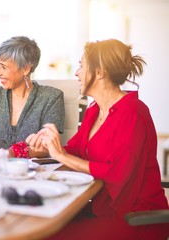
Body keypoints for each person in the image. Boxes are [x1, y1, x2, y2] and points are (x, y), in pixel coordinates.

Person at [26, 39, 169, 239]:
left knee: (47, 235)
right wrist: (37, 147)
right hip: (100, 206)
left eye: (81, 65)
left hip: (134, 217)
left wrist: (60, 155)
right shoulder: (95, 110)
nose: (76, 72)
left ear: (100, 71)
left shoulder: (134, 113)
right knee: (40, 223)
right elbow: (73, 149)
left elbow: (116, 172)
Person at [0, 36, 65, 158]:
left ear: (26, 69)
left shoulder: (52, 97)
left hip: (33, 173)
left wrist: (11, 153)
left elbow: (46, 146)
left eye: (4, 67)